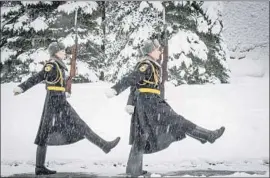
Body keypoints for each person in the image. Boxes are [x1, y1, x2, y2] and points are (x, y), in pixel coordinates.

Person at [105, 39, 225, 177]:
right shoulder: (146, 65)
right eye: (157, 49)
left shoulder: (151, 64)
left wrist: (131, 103)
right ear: (150, 51)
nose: (160, 51)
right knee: (177, 121)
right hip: (151, 103)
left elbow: (135, 86)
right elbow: (132, 79)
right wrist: (116, 89)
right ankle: (207, 135)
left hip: (146, 103)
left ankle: (134, 171)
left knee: (141, 136)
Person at [13, 41, 120, 175]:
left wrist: (66, 89)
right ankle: (104, 145)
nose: (65, 53)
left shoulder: (58, 65)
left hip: (58, 99)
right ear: (56, 53)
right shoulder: (52, 65)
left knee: (51, 131)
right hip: (54, 100)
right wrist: (22, 87)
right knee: (49, 131)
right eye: (62, 51)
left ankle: (40, 166)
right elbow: (38, 77)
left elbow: (58, 82)